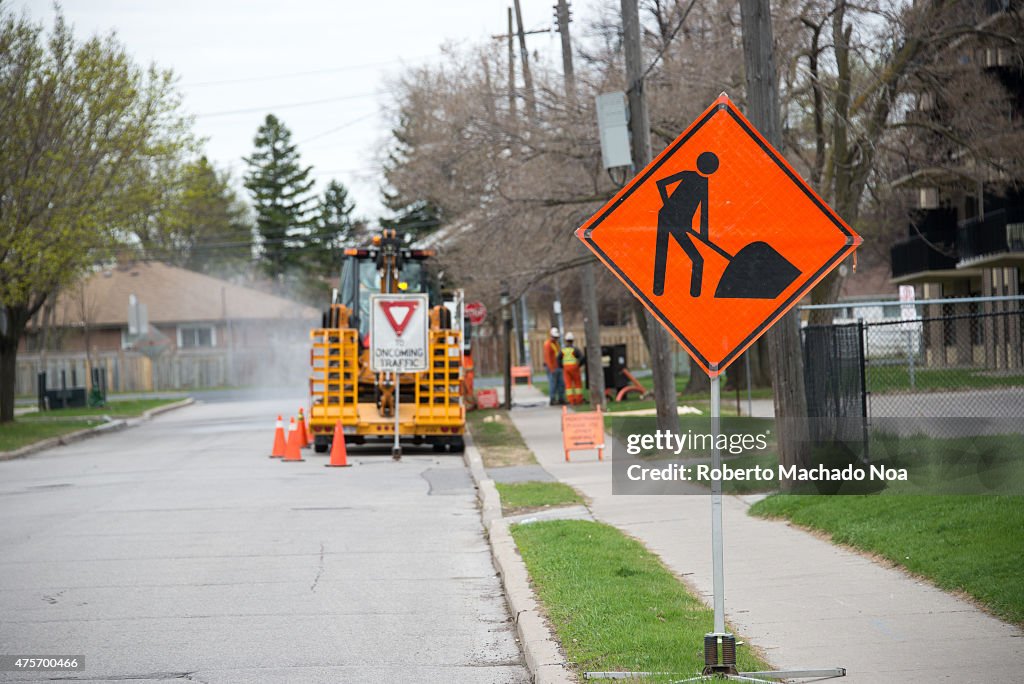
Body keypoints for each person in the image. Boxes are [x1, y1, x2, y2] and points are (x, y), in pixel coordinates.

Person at [652, 151, 719, 298]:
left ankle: (695, 296)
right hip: (666, 217)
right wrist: (668, 204)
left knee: (698, 260)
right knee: (662, 254)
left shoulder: (703, 184)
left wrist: (704, 236)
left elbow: (704, 213)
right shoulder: (688, 174)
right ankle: (658, 291)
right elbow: (661, 183)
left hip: (680, 222)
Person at [559, 332, 586, 405]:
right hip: (574, 367)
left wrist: (561, 366)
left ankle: (571, 400)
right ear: (572, 340)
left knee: (568, 385)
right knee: (577, 384)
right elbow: (582, 357)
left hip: (566, 368)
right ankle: (578, 399)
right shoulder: (575, 349)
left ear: (566, 340)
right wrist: (579, 364)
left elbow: (558, 359)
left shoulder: (563, 350)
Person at [543, 327, 566, 405]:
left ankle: (561, 398)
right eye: (555, 337)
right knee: (553, 384)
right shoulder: (547, 344)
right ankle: (552, 399)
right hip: (552, 367)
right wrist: (551, 368)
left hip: (558, 366)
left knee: (561, 383)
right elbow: (548, 357)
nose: (556, 338)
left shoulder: (556, 344)